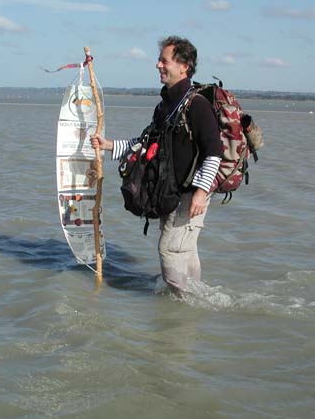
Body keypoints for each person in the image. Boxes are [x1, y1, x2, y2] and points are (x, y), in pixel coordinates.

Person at [90, 36, 222, 295]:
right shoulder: (166, 105)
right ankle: (197, 301)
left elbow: (214, 151)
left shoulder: (197, 104)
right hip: (171, 195)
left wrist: (201, 193)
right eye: (159, 60)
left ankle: (180, 305)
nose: (158, 65)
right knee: (185, 250)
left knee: (170, 249)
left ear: (184, 66)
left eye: (164, 60)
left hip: (189, 195)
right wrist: (109, 146)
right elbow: (146, 145)